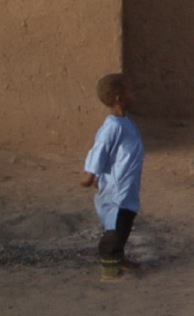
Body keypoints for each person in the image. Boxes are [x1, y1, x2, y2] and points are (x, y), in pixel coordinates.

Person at [80, 73, 145, 282]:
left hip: (127, 185)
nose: (133, 95)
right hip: (118, 189)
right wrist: (91, 175)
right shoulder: (113, 126)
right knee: (116, 228)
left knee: (125, 223)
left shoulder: (125, 122)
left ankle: (120, 258)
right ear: (119, 98)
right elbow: (100, 150)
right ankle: (110, 271)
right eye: (130, 92)